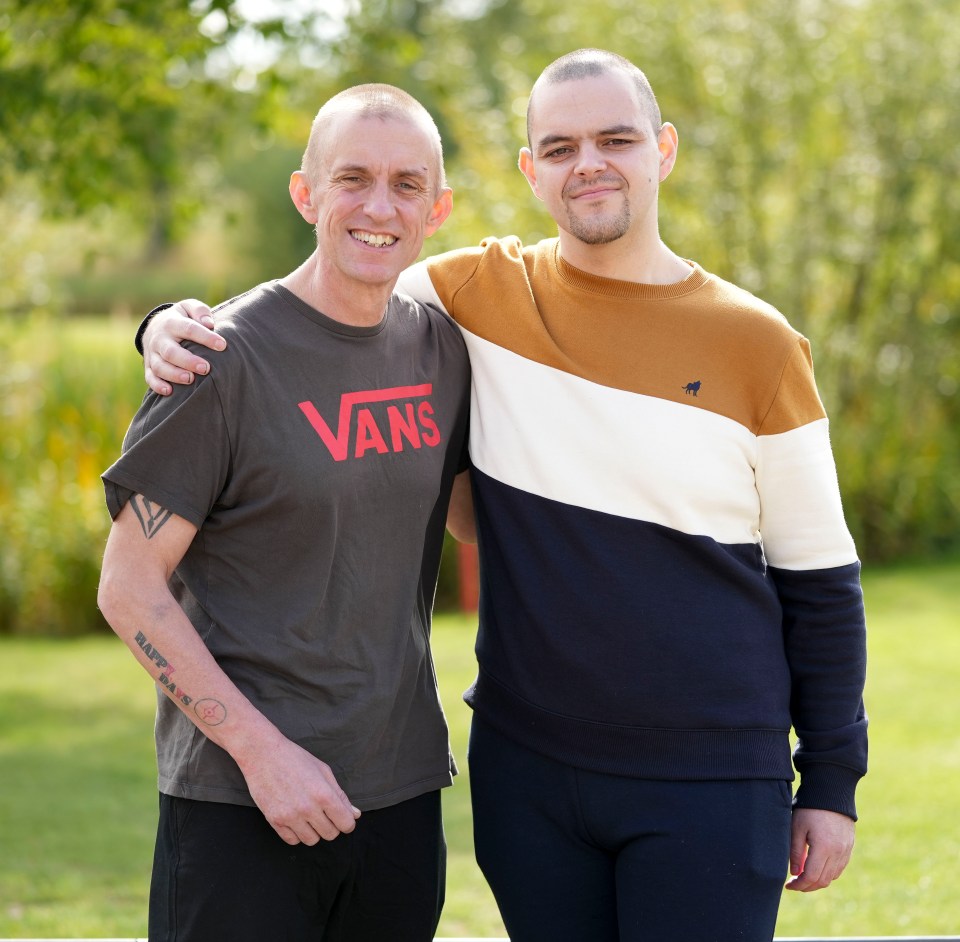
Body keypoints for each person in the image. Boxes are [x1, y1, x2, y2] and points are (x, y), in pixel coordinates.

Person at [137, 49, 868, 942]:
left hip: (709, 772)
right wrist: (172, 325)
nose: (588, 163)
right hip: (531, 775)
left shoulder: (759, 343)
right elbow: (324, 296)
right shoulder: (473, 295)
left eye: (616, 139)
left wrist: (832, 781)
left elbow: (821, 580)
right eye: (559, 147)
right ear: (530, 169)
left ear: (664, 151)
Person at [97, 83, 472, 942]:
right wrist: (263, 757)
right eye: (353, 179)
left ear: (438, 208)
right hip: (241, 802)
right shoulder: (219, 361)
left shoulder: (440, 349)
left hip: (401, 796)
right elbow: (129, 586)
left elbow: (474, 517)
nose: (380, 207)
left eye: (408, 185)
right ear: (307, 194)